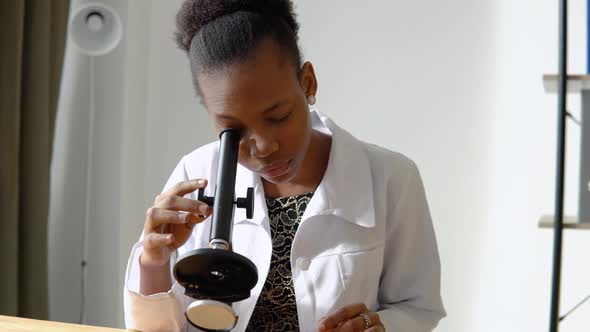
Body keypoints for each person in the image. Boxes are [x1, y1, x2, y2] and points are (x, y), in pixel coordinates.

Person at [123, 0, 446, 331]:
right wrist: (152, 263)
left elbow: (419, 308)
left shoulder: (391, 178)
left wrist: (379, 326)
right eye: (232, 130)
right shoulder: (196, 174)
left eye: (278, 117)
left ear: (307, 83)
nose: (264, 148)